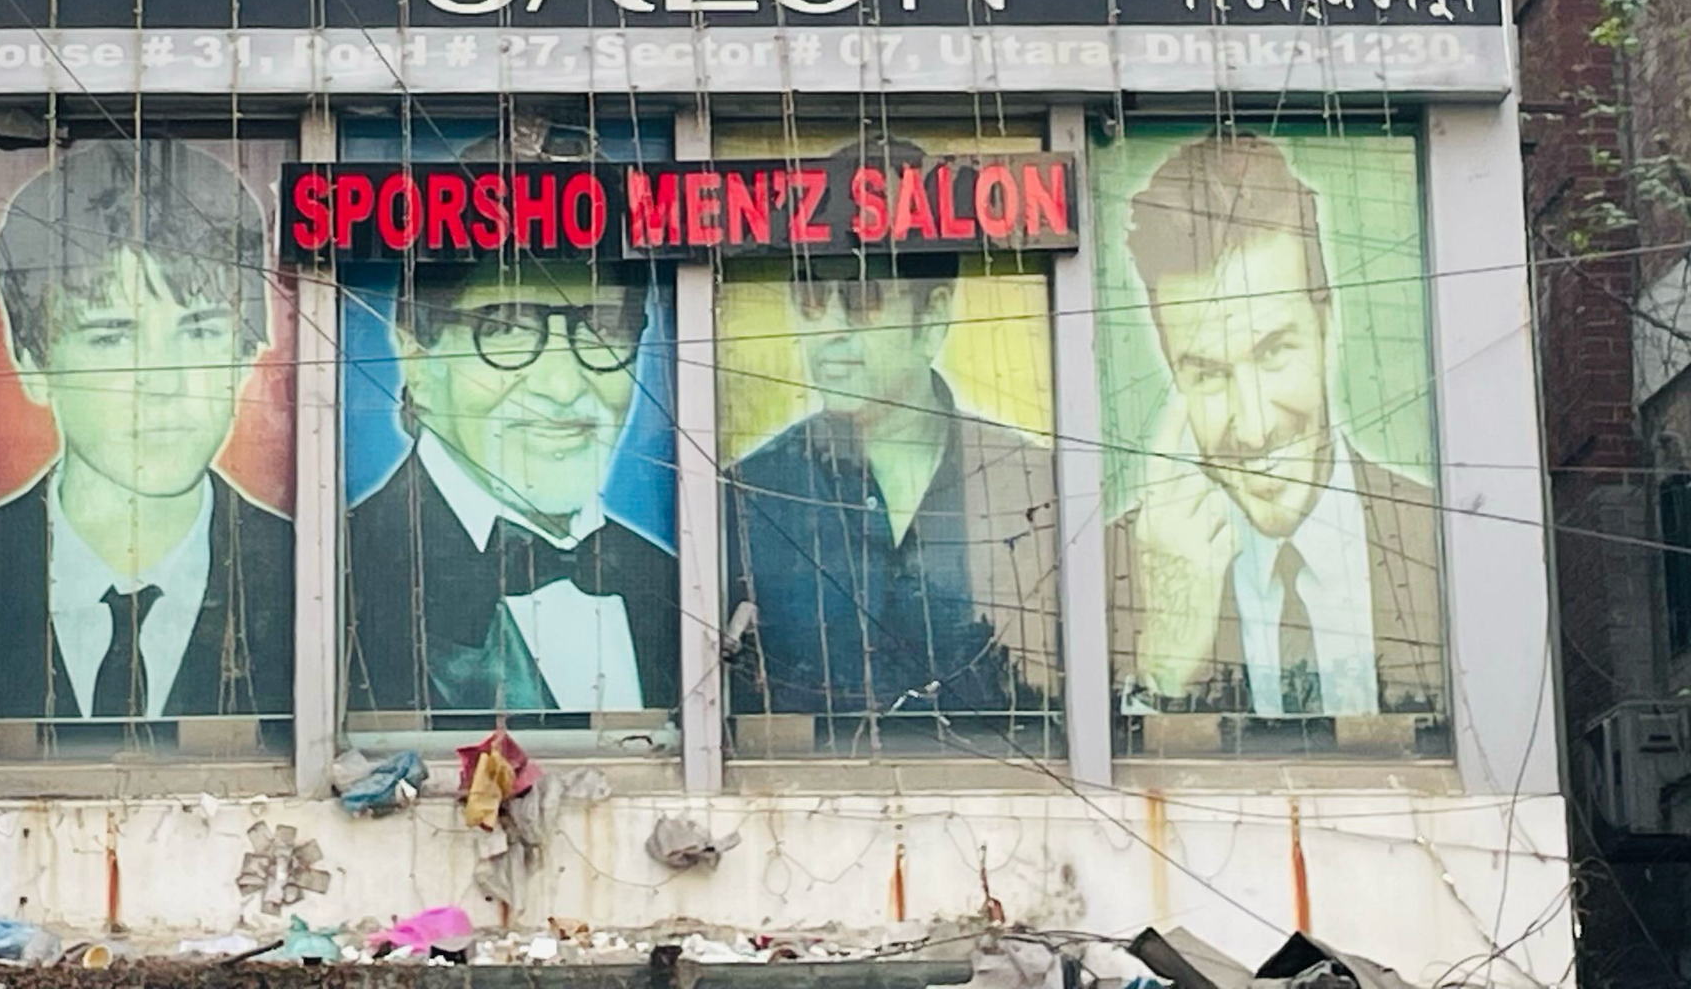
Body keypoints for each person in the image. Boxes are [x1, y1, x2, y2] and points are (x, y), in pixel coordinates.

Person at [0, 139, 294, 732]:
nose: (164, 383)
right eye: (112, 336)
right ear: (32, 361)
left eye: (201, 331)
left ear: (245, 355)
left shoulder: (303, 572)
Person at [722, 144, 1059, 730]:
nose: (829, 330)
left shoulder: (1034, 482)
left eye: (862, 299)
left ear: (932, 317)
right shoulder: (747, 496)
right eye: (810, 299)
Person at [1107, 132, 1442, 721]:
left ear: (1326, 322)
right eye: (1208, 374)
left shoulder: (1443, 538)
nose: (1255, 426)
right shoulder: (1109, 571)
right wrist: (1163, 664)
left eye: (1272, 352)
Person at [345, 253, 679, 718]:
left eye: (602, 328)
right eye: (504, 329)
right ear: (418, 363)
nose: (563, 387)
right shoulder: (342, 578)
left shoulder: (671, 581)